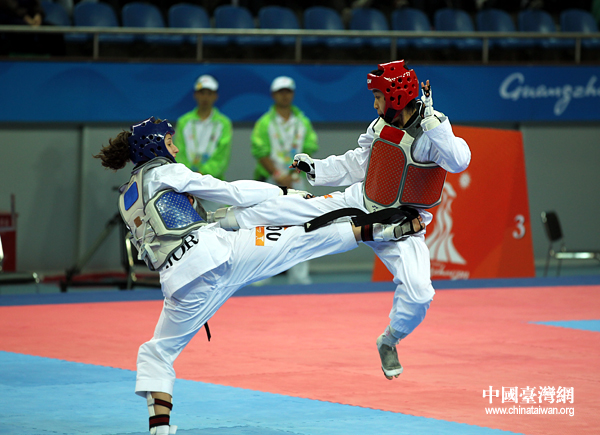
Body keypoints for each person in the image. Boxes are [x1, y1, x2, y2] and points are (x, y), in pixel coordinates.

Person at [94, 116, 423, 434]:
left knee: (156, 352)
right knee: (296, 240)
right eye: (170, 143)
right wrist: (281, 193)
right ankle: (375, 231)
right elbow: (230, 191)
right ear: (154, 148)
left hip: (180, 283)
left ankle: (160, 430)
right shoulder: (167, 171)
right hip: (218, 255)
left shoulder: (126, 196)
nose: (176, 149)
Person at [214, 60, 471, 380]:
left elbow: (459, 161)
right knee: (294, 209)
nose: (374, 104)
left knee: (420, 294)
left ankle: (390, 340)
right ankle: (224, 220)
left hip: (401, 227)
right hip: (360, 201)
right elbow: (356, 164)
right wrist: (317, 168)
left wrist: (435, 125)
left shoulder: (433, 133)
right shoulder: (379, 126)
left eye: (378, 97)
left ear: (396, 97)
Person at [251, 75, 319, 284]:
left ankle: (300, 277)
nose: (284, 95)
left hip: (296, 180)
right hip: (270, 182)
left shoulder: (302, 121)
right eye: (280, 92)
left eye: (288, 91)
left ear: (293, 94)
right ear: (273, 95)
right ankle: (261, 276)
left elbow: (309, 148)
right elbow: (260, 151)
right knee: (265, 226)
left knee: (302, 226)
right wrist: (278, 175)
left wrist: (291, 175)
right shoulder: (264, 123)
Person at [174, 74, 232, 181]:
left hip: (214, 182)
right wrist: (189, 175)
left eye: (209, 93)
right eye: (202, 93)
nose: (205, 97)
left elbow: (222, 157)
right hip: (186, 181)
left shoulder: (224, 123)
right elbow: (179, 152)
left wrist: (203, 173)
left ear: (215, 96)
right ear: (195, 95)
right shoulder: (183, 122)